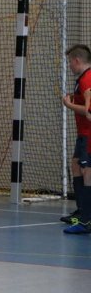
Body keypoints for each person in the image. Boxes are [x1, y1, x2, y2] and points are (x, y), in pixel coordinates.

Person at [61, 44, 91, 233]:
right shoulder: (82, 80)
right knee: (76, 165)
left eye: (70, 62)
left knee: (87, 172)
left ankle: (86, 219)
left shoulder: (87, 79)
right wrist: (74, 98)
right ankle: (81, 212)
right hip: (83, 133)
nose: (69, 66)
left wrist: (69, 105)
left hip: (88, 134)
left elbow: (89, 111)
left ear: (77, 60)